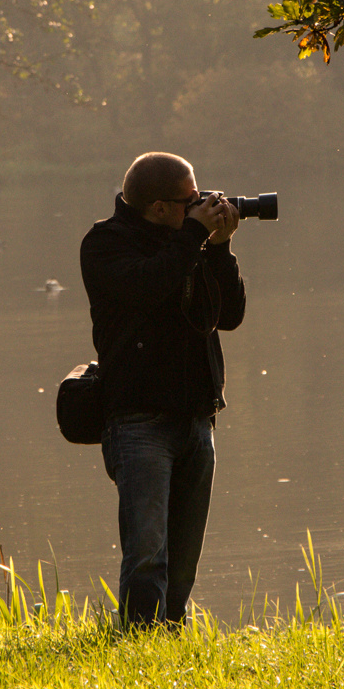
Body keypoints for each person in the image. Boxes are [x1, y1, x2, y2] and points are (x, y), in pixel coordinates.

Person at [80, 151, 247, 625]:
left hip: (197, 418)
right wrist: (196, 235)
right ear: (157, 207)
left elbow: (229, 316)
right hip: (139, 422)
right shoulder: (106, 244)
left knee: (185, 556)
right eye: (190, 200)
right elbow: (148, 287)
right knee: (148, 552)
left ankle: (168, 640)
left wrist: (219, 247)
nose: (203, 204)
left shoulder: (189, 244)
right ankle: (139, 642)